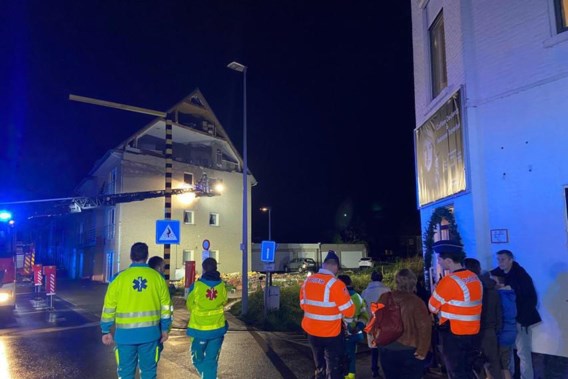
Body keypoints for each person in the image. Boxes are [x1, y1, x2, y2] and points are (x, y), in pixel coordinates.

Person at [100, 242, 172, 379]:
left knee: (125, 373)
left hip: (125, 337)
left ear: (131, 256)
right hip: (150, 335)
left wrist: (106, 330)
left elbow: (109, 306)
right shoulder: (158, 278)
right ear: (147, 256)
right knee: (149, 372)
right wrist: (164, 329)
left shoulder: (118, 278)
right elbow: (166, 307)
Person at [428, 240, 482, 379]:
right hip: (473, 332)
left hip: (453, 334)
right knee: (469, 371)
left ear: (448, 261)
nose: (439, 262)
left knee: (456, 372)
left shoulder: (449, 281)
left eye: (440, 259)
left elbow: (432, 307)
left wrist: (437, 291)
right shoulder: (473, 277)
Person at [300, 250, 355, 379]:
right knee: (334, 369)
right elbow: (349, 311)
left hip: (312, 332)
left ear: (323, 265)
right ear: (335, 266)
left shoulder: (307, 282)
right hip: (331, 334)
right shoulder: (336, 284)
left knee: (320, 366)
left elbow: (303, 304)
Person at [490, 250, 540, 379]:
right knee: (507, 353)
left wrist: (522, 319)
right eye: (498, 259)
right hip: (506, 319)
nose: (500, 262)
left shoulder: (521, 276)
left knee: (523, 352)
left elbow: (531, 298)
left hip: (519, 319)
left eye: (503, 259)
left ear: (510, 260)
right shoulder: (497, 274)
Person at [378, 268, 432, 379]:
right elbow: (424, 327)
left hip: (386, 348)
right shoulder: (416, 301)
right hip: (409, 350)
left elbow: (376, 320)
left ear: (396, 281)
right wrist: (422, 350)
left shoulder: (384, 297)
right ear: (413, 282)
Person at [186, 257, 228, 379]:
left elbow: (189, 305)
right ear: (216, 269)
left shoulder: (196, 286)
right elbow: (224, 301)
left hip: (199, 330)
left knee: (197, 360)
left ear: (204, 270)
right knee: (211, 361)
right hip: (218, 329)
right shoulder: (222, 285)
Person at [464, 258, 503, 379]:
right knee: (494, 362)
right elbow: (498, 311)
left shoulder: (469, 288)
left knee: (476, 362)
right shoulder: (492, 288)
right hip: (490, 329)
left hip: (473, 330)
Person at [337, 274, 369, 379]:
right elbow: (364, 315)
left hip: (338, 334)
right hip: (353, 334)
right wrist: (359, 327)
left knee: (337, 358)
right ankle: (350, 376)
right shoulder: (357, 297)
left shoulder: (337, 297)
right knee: (351, 358)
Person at [361, 270, 390, 378]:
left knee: (373, 348)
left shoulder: (365, 292)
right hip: (384, 323)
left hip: (371, 323)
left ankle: (374, 369)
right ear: (381, 278)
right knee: (385, 347)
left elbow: (362, 308)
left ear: (371, 278)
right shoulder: (387, 290)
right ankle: (387, 370)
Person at [492, 274, 517, 379]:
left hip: (503, 333)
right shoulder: (510, 294)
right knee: (506, 364)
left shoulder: (500, 296)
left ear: (499, 282)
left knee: (503, 366)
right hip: (511, 332)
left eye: (494, 282)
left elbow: (500, 316)